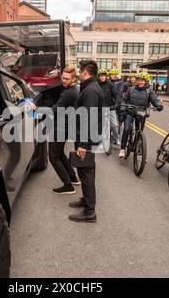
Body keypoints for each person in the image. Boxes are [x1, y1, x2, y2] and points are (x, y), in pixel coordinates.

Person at [69, 60, 105, 223]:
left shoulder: (90, 90)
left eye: (79, 71)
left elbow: (88, 118)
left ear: (84, 72)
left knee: (87, 173)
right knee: (84, 172)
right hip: (88, 137)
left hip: (87, 138)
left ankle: (90, 211)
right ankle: (86, 199)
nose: (78, 73)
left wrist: (83, 144)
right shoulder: (92, 87)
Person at [50, 65, 81, 194]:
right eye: (63, 78)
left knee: (53, 156)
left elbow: (55, 109)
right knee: (60, 153)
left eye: (67, 79)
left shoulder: (69, 93)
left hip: (61, 128)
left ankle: (68, 185)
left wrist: (36, 110)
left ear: (73, 79)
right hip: (66, 126)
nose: (64, 80)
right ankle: (73, 178)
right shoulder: (73, 90)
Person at [119, 72, 163, 159]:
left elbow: (154, 101)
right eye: (138, 80)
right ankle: (122, 149)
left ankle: (137, 146)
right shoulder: (131, 89)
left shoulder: (149, 91)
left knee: (139, 131)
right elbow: (124, 100)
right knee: (127, 129)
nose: (140, 82)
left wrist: (158, 106)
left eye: (142, 80)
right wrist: (123, 110)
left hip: (141, 113)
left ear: (145, 81)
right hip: (130, 112)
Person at [98, 68, 120, 146]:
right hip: (100, 108)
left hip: (111, 107)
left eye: (104, 75)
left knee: (115, 125)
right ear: (99, 77)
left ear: (106, 76)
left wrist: (116, 103)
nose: (102, 77)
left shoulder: (110, 84)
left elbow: (116, 94)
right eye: (101, 76)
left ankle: (116, 138)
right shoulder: (97, 85)